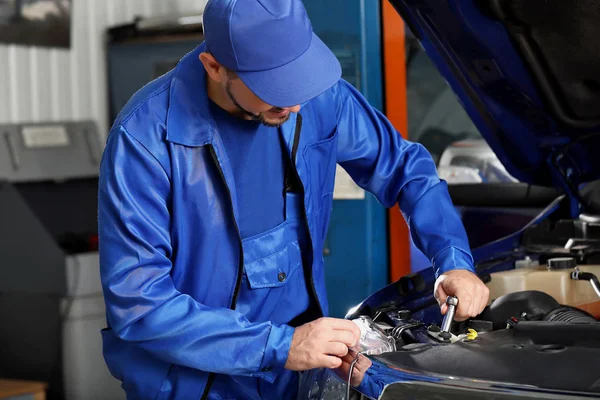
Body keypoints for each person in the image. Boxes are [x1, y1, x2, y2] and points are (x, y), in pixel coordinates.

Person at [97, 0, 490, 399]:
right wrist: (281, 347)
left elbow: (406, 169)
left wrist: (453, 260)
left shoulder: (314, 96)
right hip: (192, 384)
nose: (296, 103)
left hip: (297, 377)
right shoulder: (144, 140)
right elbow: (141, 305)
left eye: (297, 79)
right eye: (274, 89)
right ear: (214, 67)